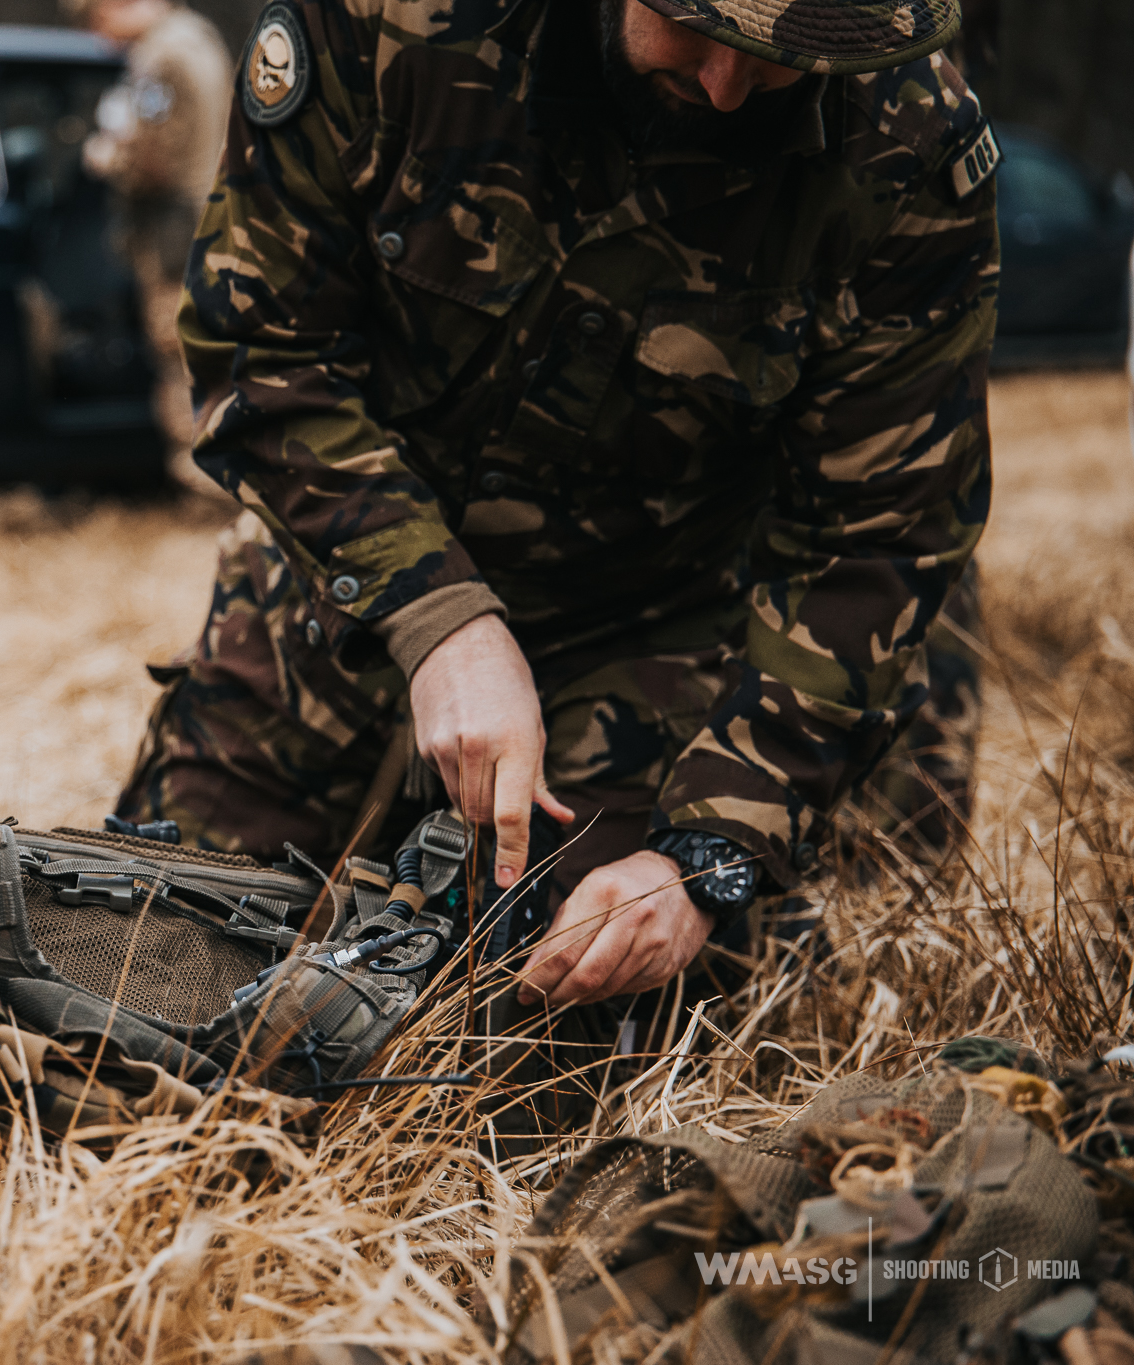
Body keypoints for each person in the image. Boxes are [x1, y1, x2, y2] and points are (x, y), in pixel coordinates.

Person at [115, 0, 998, 1127]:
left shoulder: (906, 138)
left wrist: (708, 854)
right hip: (337, 587)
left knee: (516, 1073)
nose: (727, 83)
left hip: (649, 627)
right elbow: (264, 348)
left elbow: (876, 535)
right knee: (135, 981)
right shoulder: (391, 22)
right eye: (691, 24)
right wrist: (438, 618)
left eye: (783, 60)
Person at [71, 0, 232, 451]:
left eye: (95, 18)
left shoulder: (159, 58)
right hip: (215, 225)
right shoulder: (202, 40)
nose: (96, 35)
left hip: (175, 235)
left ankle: (202, 479)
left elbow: (153, 157)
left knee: (181, 359)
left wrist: (109, 159)